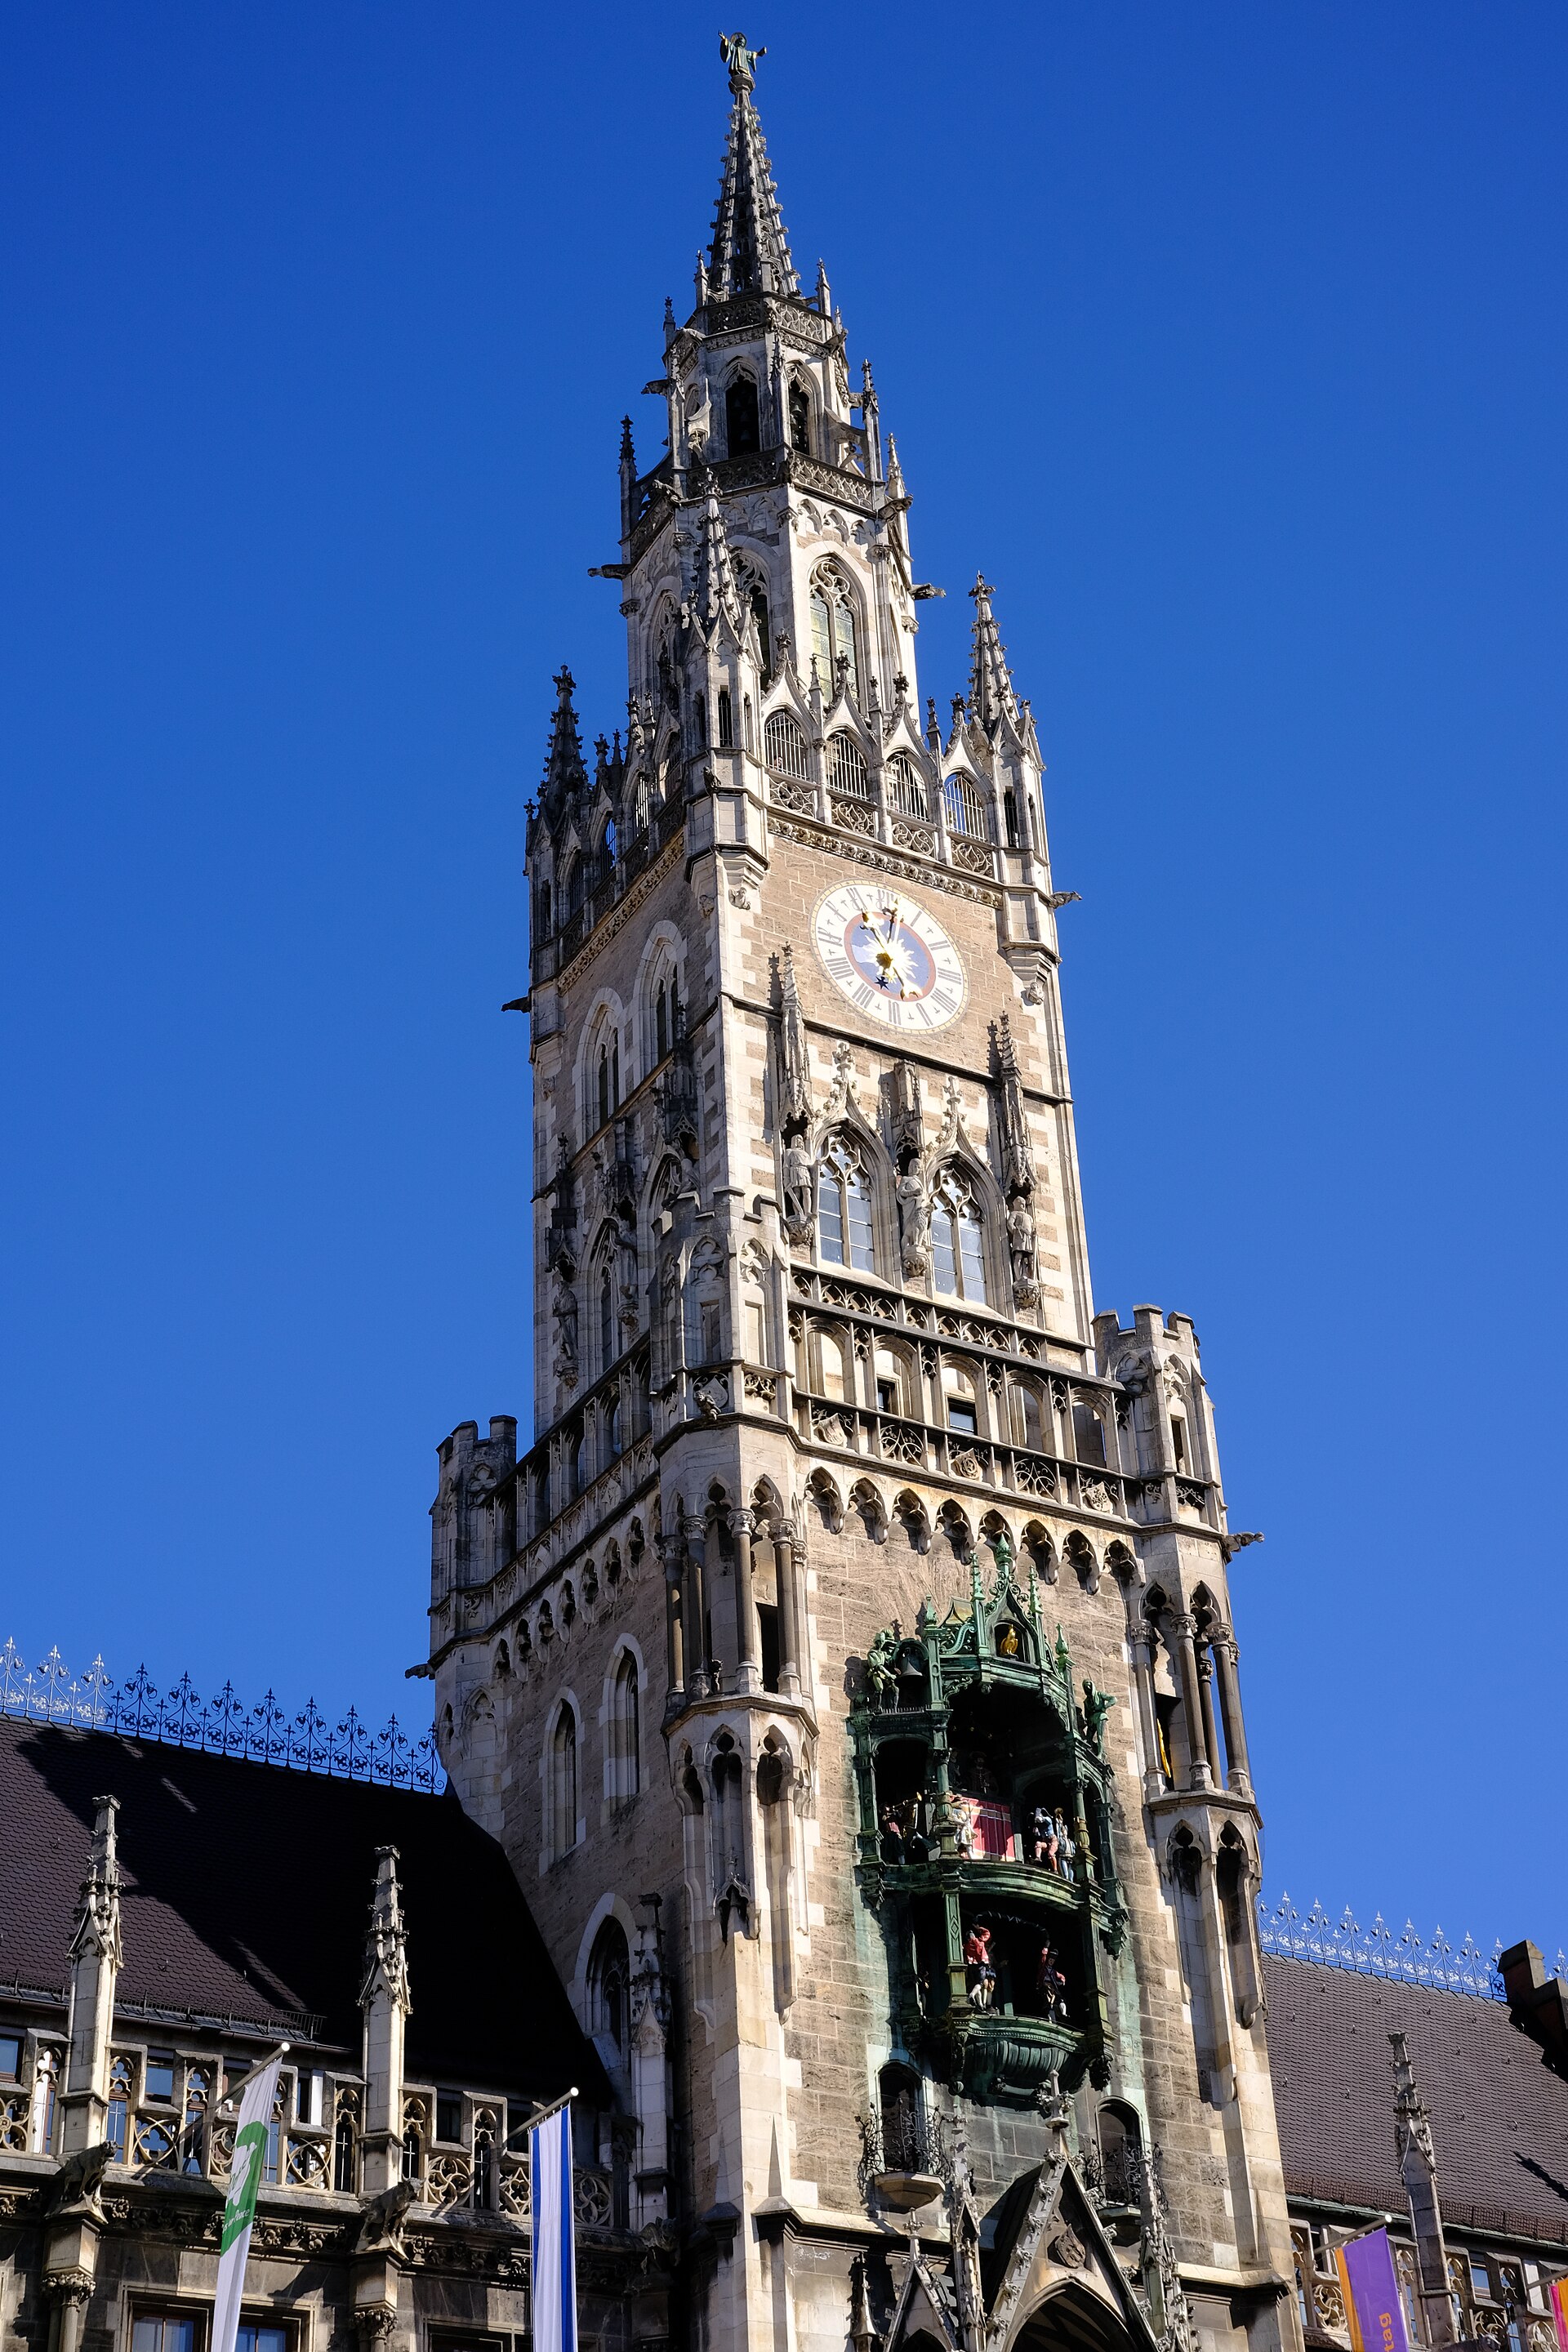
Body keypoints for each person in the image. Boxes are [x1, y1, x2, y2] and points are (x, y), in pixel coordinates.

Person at [964, 1924, 995, 2010]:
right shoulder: (980, 1941)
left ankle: (980, 2005)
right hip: (981, 1964)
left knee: (975, 1984)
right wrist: (979, 1928)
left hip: (971, 1965)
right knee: (980, 1983)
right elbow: (987, 1933)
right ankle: (972, 1995)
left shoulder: (966, 1945)